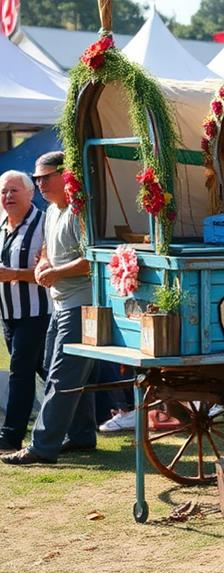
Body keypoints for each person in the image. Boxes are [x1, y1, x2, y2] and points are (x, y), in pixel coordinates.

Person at [2, 152, 98, 465]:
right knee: (60, 370)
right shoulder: (53, 212)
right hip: (60, 303)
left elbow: (91, 261)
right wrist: (44, 263)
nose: (39, 183)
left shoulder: (81, 211)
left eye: (45, 177)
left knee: (61, 375)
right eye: (37, 178)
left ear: (64, 175)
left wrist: (54, 272)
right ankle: (82, 435)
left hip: (80, 304)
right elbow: (46, 251)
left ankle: (42, 447)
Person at [0, 171, 51, 452]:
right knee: (43, 370)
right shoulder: (1, 226)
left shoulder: (44, 224)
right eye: (4, 192)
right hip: (8, 313)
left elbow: (49, 271)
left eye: (14, 191)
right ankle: (81, 424)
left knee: (20, 371)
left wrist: (14, 274)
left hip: (38, 311)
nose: (8, 196)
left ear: (30, 194)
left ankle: (10, 436)